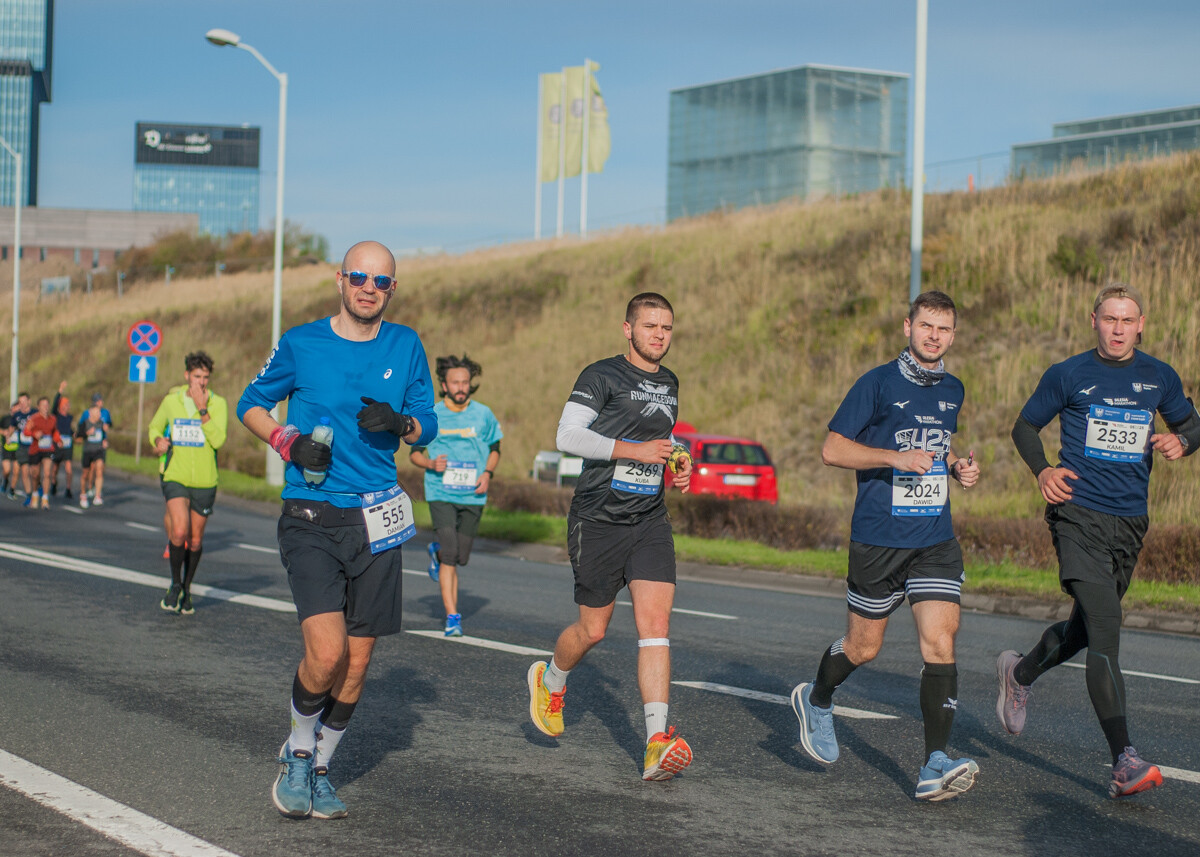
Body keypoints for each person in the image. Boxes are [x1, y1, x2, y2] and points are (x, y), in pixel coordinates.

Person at [237, 240, 437, 820]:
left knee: (359, 660)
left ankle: (321, 767)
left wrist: (401, 422)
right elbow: (252, 403)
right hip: (312, 514)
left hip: (378, 517)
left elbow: (426, 426)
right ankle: (298, 750)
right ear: (339, 280)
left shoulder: (406, 344)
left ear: (392, 289)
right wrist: (289, 442)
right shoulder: (302, 342)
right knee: (326, 654)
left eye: (382, 282)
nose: (369, 288)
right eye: (359, 277)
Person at [997, 283, 1200, 799]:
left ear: (1140, 324)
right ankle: (1124, 760)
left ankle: (1019, 672)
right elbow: (1024, 427)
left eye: (1126, 320)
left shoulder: (1158, 376)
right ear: (1094, 321)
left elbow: (1192, 425)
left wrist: (1184, 440)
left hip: (1130, 522)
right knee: (1107, 625)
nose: (1117, 328)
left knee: (1085, 632)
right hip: (1077, 517)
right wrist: (1043, 471)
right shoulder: (1068, 374)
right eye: (1109, 319)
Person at [790, 290, 981, 802]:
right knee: (864, 647)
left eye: (944, 329)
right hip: (878, 539)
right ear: (908, 326)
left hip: (934, 538)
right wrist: (894, 459)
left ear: (953, 335)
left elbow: (937, 447)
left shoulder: (954, 389)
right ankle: (818, 697)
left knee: (941, 642)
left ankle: (934, 762)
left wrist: (958, 466)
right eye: (926, 326)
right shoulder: (876, 383)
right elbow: (832, 449)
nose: (934, 336)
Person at [526, 291, 695, 783]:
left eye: (666, 327)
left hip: (649, 520)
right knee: (593, 630)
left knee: (655, 624)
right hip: (598, 518)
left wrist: (677, 463)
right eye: (649, 326)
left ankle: (656, 741)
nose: (659, 334)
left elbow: (658, 442)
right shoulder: (600, 375)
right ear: (628, 329)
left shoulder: (670, 382)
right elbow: (567, 436)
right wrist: (634, 450)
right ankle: (552, 679)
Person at [409, 354, 503, 637]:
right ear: (444, 384)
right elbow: (414, 454)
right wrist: (430, 464)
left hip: (472, 494)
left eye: (465, 382)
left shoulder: (483, 414)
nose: (461, 387)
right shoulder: (432, 414)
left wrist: (487, 473)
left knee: (460, 556)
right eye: (455, 382)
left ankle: (437, 553)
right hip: (441, 492)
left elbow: (496, 448)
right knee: (451, 553)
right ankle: (452, 617)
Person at [148, 352, 228, 615]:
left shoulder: (218, 404)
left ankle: (187, 587)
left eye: (205, 377)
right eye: (197, 377)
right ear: (187, 376)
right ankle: (174, 584)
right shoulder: (172, 401)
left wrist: (203, 409)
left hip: (205, 481)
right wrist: (157, 441)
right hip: (176, 476)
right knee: (179, 531)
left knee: (195, 540)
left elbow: (217, 441)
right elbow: (154, 427)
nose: (201, 382)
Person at [25, 396, 61, 509]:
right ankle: (35, 494)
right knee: (35, 474)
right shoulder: (34, 419)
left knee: (47, 473)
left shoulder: (53, 419)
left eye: (47, 405)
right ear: (38, 407)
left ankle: (45, 498)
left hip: (48, 449)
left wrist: (58, 440)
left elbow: (55, 432)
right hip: (36, 449)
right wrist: (34, 434)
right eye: (43, 405)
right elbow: (26, 431)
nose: (46, 407)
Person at [78, 393, 112, 508]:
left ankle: (97, 495)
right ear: (91, 413)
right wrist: (87, 433)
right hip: (88, 451)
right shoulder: (85, 423)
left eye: (99, 413)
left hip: (99, 450)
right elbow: (78, 436)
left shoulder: (101, 424)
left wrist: (104, 442)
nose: (99, 415)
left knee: (99, 470)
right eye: (97, 413)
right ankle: (83, 493)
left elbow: (103, 435)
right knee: (85, 474)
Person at [50, 381, 76, 500]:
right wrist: (60, 390)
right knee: (55, 467)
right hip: (57, 444)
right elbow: (54, 404)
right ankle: (53, 483)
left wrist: (74, 434)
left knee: (69, 468)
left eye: (68, 404)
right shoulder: (56, 415)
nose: (67, 406)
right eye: (65, 404)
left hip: (68, 445)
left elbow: (69, 430)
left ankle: (68, 489)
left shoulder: (70, 417)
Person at [12, 392, 33, 501]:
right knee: (25, 471)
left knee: (33, 472)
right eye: (20, 402)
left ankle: (38, 488)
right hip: (22, 447)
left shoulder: (35, 413)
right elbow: (11, 428)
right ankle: (29, 495)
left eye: (24, 401)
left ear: (29, 401)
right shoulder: (16, 415)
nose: (23, 404)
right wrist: (7, 435)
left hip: (34, 447)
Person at [1, 401, 18, 499]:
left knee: (16, 471)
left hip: (17, 448)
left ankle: (12, 489)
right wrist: (4, 432)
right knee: (7, 470)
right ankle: (5, 480)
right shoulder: (5, 419)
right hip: (6, 448)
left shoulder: (20, 420)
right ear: (12, 409)